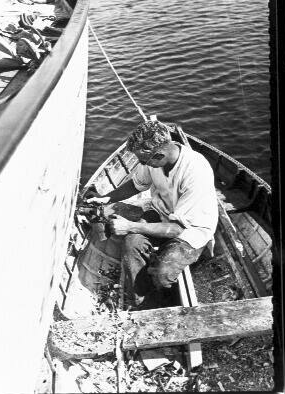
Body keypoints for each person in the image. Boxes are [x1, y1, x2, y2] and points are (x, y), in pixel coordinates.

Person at [87, 120, 218, 309]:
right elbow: (136, 184)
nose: (141, 164)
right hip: (162, 212)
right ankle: (144, 306)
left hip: (190, 229)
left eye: (143, 161)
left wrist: (131, 226)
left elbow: (177, 229)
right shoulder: (153, 161)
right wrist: (105, 198)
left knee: (163, 273)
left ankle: (168, 298)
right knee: (131, 244)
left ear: (159, 155)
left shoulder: (195, 170)